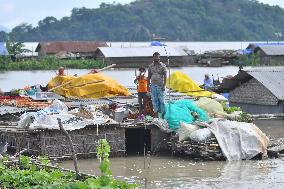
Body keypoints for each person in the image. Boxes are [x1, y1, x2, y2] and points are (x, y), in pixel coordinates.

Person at [147, 52, 167, 118]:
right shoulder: (150, 66)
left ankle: (163, 115)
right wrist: (148, 87)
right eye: (155, 57)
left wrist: (164, 85)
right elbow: (149, 77)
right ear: (153, 58)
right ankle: (156, 115)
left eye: (158, 57)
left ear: (159, 57)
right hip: (153, 85)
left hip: (160, 85)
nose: (157, 58)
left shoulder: (163, 66)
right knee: (154, 100)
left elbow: (165, 76)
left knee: (162, 101)